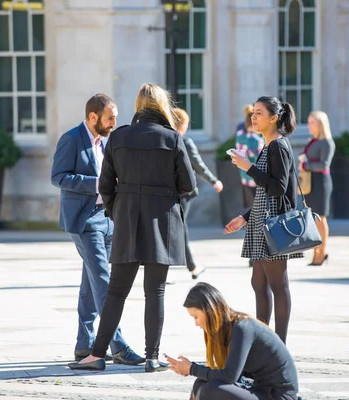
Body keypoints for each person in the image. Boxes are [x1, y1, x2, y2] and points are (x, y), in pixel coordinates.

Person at [74, 83, 197, 372]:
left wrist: (118, 211)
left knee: (117, 291)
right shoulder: (172, 138)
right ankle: (152, 358)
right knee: (155, 291)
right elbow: (188, 185)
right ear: (162, 105)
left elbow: (105, 186)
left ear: (138, 105)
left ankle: (97, 355)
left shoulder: (119, 137)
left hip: (127, 218)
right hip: (162, 222)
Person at [51, 93, 145, 368]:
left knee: (91, 285)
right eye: (110, 117)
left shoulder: (106, 142)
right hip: (84, 220)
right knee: (104, 282)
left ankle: (84, 344)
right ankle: (118, 345)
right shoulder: (71, 139)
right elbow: (58, 177)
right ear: (93, 117)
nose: (115, 122)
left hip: (107, 218)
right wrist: (98, 183)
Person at [223, 96, 302, 344]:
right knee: (258, 283)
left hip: (274, 225)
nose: (254, 117)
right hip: (260, 221)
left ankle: (278, 345)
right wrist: (245, 218)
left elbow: (278, 188)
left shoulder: (279, 145)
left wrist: (248, 167)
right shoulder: (269, 145)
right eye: (253, 112)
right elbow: (264, 191)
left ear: (274, 118)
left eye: (259, 113)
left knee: (278, 285)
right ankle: (263, 340)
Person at [167, 282, 299, 400]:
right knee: (200, 383)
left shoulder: (242, 327)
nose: (196, 323)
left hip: (278, 395)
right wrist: (191, 367)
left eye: (196, 317)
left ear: (209, 310)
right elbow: (226, 370)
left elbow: (229, 376)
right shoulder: (230, 327)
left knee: (210, 390)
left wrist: (191, 369)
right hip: (260, 388)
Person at [174, 107, 223, 280]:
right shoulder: (185, 142)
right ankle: (191, 266)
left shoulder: (164, 140)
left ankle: (190, 266)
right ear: (182, 124)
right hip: (183, 192)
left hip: (171, 192)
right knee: (180, 228)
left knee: (178, 227)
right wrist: (214, 181)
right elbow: (199, 165)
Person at [298, 111, 335, 266]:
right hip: (310, 182)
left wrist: (305, 165)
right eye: (309, 122)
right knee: (313, 218)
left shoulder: (327, 142)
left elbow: (324, 165)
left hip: (321, 182)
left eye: (312, 122)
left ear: (321, 124)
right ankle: (316, 252)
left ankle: (322, 252)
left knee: (322, 218)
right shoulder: (312, 141)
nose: (309, 125)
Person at [235, 105, 264, 210]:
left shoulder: (239, 135)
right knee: (260, 209)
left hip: (244, 175)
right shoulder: (257, 140)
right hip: (257, 177)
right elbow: (262, 159)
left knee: (250, 208)